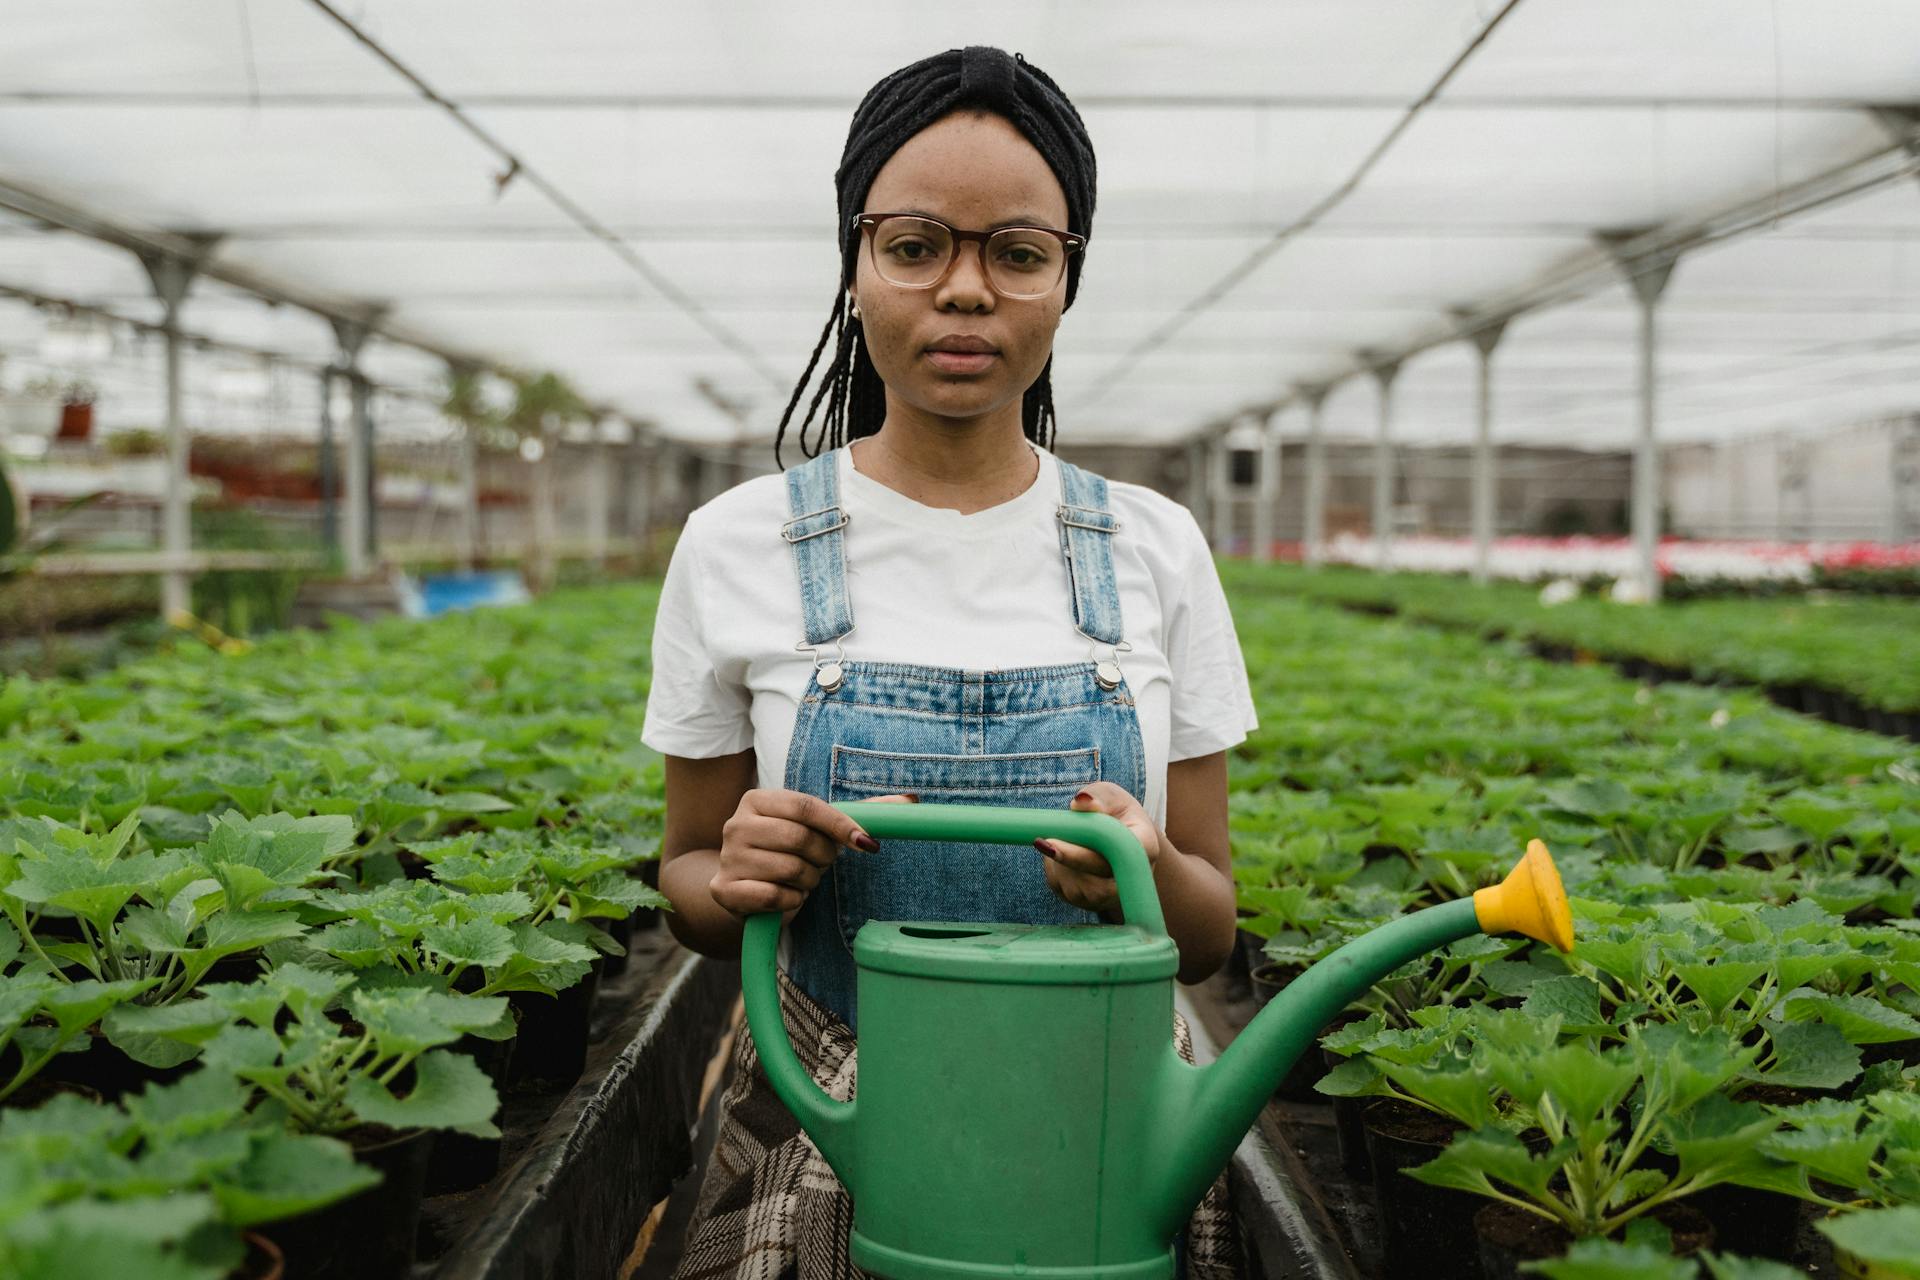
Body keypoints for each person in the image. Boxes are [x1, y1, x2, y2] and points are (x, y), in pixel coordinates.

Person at [642, 45, 1258, 1280]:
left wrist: (1144, 872)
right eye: (917, 245)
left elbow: (1209, 924)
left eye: (1017, 253)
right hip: (830, 1115)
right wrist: (748, 868)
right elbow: (689, 878)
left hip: (1097, 1121)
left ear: (1066, 281)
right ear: (856, 264)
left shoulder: (1155, 546)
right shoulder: (734, 543)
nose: (965, 291)